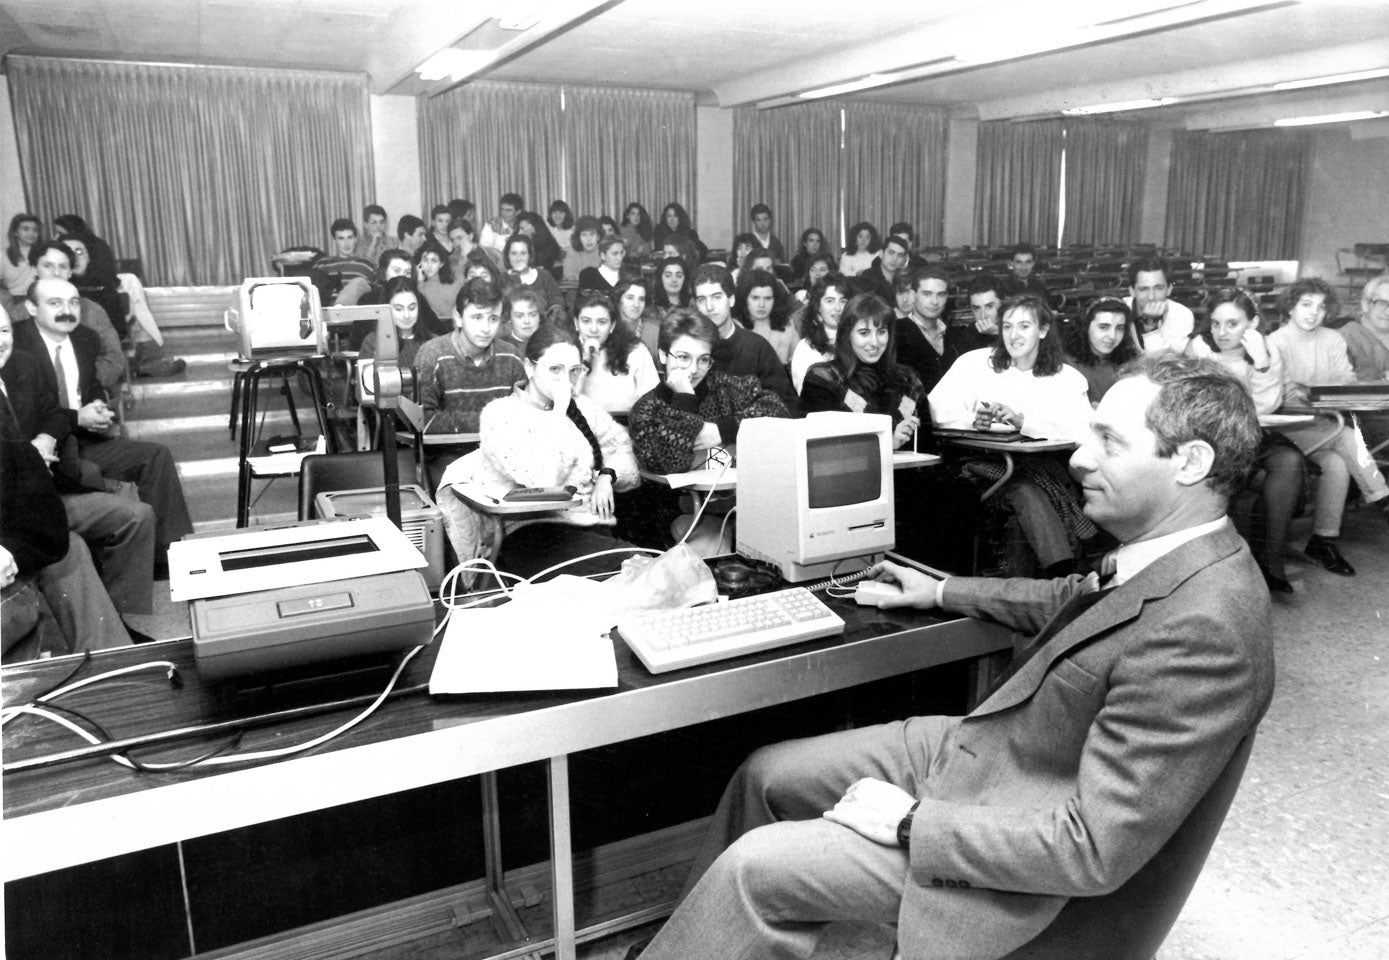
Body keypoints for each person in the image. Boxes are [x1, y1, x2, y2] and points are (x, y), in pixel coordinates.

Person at [633, 354, 1273, 960]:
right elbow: (1070, 598)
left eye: (1109, 441)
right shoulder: (1169, 553)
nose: (1079, 458)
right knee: (765, 773)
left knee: (756, 869)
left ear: (1190, 462)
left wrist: (914, 823)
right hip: (1000, 756)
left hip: (1021, 846)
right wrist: (941, 589)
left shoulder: (1208, 626)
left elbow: (1093, 849)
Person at [436, 323, 641, 581]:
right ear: (530, 367)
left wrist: (607, 475)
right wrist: (559, 413)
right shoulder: (500, 415)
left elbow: (624, 450)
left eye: (574, 371)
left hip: (591, 527)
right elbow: (544, 481)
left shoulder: (585, 408)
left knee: (641, 568)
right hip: (531, 536)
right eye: (555, 369)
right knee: (635, 568)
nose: (566, 381)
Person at [12, 277, 192, 558]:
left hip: (85, 439)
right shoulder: (15, 347)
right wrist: (76, 418)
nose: (67, 310)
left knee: (156, 456)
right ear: (32, 308)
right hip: (44, 450)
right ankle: (109, 559)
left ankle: (169, 557)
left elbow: (91, 385)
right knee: (88, 473)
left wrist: (98, 404)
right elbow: (33, 412)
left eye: (73, 302)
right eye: (55, 303)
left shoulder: (85, 338)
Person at [0, 312, 148, 649]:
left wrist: (45, 440)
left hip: (40, 497)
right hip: (17, 518)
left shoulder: (21, 365)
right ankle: (108, 651)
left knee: (136, 516)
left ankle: (116, 631)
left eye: (4, 330)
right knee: (69, 550)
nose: (0, 341)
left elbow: (52, 413)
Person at [929, 294, 1097, 576]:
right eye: (1007, 326)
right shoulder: (975, 363)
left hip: (1036, 467)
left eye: (1024, 326)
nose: (1013, 335)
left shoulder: (1066, 377)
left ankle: (1043, 582)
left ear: (1043, 330)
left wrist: (1025, 422)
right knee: (1024, 490)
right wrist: (973, 420)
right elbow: (938, 408)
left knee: (1026, 494)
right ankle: (1065, 574)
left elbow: (1082, 431)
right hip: (976, 465)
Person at [1266, 277, 1389, 574]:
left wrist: (1324, 393)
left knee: (1335, 465)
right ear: (1291, 308)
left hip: (1321, 424)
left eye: (1321, 307)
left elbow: (1345, 381)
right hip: (1285, 426)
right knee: (1347, 438)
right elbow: (1273, 395)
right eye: (1305, 305)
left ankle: (1323, 540)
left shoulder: (1332, 339)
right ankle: (1384, 499)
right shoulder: (1275, 342)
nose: (1313, 313)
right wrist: (1303, 393)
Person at [1185, 287, 1304, 593]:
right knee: (1270, 476)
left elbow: (1267, 406)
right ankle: (1254, 565)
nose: (1221, 332)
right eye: (1215, 323)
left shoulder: (1265, 350)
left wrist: (1262, 364)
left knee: (1289, 461)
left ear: (1251, 324)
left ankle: (1273, 560)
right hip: (1212, 438)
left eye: (1232, 324)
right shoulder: (1200, 348)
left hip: (1253, 434)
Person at [629, 308, 790, 475]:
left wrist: (724, 430)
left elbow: (779, 412)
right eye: (683, 357)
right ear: (663, 355)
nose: (693, 369)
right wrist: (684, 400)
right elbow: (668, 464)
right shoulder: (645, 410)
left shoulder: (724, 387)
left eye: (703, 360)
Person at [799, 293, 924, 450]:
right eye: (864, 333)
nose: (874, 342)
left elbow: (929, 447)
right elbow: (821, 450)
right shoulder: (824, 379)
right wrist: (887, 444)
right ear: (847, 334)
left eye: (881, 332)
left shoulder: (909, 381)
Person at [413, 277, 525, 437]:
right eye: (477, 317)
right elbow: (423, 420)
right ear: (458, 318)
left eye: (493, 319)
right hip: (447, 454)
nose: (486, 328)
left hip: (500, 453)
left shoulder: (511, 356)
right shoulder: (432, 354)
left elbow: (524, 416)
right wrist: (488, 421)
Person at [65, 235, 185, 378]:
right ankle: (141, 368)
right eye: (67, 252)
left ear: (89, 257)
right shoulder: (46, 292)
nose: (75, 258)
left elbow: (118, 331)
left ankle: (140, 367)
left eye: (80, 252)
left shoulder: (103, 287)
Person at [693, 263, 797, 412]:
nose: (709, 307)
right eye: (702, 299)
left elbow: (784, 403)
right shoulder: (689, 349)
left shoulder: (757, 346)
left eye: (716, 297)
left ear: (731, 300)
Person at [572, 290, 659, 414]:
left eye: (602, 322)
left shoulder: (635, 351)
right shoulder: (564, 350)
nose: (593, 329)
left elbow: (653, 400)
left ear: (612, 325)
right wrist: (584, 362)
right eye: (586, 321)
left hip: (626, 424)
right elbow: (562, 403)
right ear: (576, 323)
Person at [895, 266, 968, 394]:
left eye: (940, 295)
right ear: (913, 295)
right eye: (927, 294)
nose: (934, 302)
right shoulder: (896, 332)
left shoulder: (954, 336)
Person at [1342, 275, 1389, 457]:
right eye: (1381, 303)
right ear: (1365, 304)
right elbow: (1344, 386)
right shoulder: (1345, 337)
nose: (1387, 311)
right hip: (1366, 417)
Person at [1063, 297, 1141, 404]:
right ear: (1085, 327)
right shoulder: (1067, 366)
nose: (1112, 336)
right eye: (1103, 327)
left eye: (1119, 328)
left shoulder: (1130, 363)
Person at [790, 274, 851, 393]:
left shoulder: (858, 340)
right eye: (830, 301)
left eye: (843, 301)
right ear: (818, 308)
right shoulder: (806, 347)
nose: (838, 308)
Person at [1125, 255, 1194, 355]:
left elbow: (1168, 362)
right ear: (1132, 291)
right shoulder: (1120, 310)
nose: (1151, 297)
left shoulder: (1182, 315)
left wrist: (1151, 327)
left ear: (1169, 289)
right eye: (1143, 289)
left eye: (1159, 288)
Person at [359, 276, 428, 370]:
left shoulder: (432, 342)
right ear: (386, 308)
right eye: (398, 309)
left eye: (412, 308)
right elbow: (367, 382)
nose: (407, 315)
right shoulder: (372, 342)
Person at [735, 268, 796, 366]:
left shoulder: (787, 325)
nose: (762, 305)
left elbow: (797, 361)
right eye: (755, 298)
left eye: (768, 298)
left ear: (775, 299)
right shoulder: (735, 327)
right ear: (744, 298)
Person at [317, 218, 376, 301]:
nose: (346, 243)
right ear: (335, 241)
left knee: (358, 282)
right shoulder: (323, 264)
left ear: (356, 239)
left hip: (357, 310)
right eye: (341, 238)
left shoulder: (367, 264)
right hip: (329, 310)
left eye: (350, 238)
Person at [502, 234, 563, 312]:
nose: (518, 258)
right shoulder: (502, 279)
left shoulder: (544, 276)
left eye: (523, 253)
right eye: (514, 253)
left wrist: (554, 311)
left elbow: (557, 300)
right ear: (508, 256)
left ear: (530, 255)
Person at [612, 276, 659, 362]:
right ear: (618, 300)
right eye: (630, 298)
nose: (636, 305)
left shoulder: (655, 331)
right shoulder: (608, 328)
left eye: (641, 299)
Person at [414, 240, 463, 321]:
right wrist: (419, 282)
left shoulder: (454, 284)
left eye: (434, 261)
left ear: (441, 264)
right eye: (425, 260)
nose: (429, 265)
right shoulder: (417, 284)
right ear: (420, 262)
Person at [854, 234, 911, 304]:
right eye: (891, 253)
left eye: (899, 255)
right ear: (881, 254)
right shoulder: (867, 277)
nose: (894, 259)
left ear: (903, 260)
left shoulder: (904, 279)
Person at [959, 275, 1004, 353]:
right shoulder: (967, 336)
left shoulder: (1018, 328)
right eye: (976, 308)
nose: (983, 316)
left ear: (1002, 305)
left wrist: (997, 333)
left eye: (989, 306)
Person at [2, 214, 40, 299]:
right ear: (15, 232)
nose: (31, 233)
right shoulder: (3, 256)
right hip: (15, 301)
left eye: (35, 230)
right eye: (25, 229)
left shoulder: (44, 253)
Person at [498, 287, 545, 353]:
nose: (527, 321)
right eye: (519, 316)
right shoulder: (501, 348)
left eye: (533, 315)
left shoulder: (549, 344)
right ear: (509, 318)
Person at [564, 216, 603, 282]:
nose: (588, 239)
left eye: (592, 234)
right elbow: (568, 277)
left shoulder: (604, 251)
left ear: (598, 237)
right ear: (579, 237)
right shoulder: (572, 252)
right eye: (584, 235)